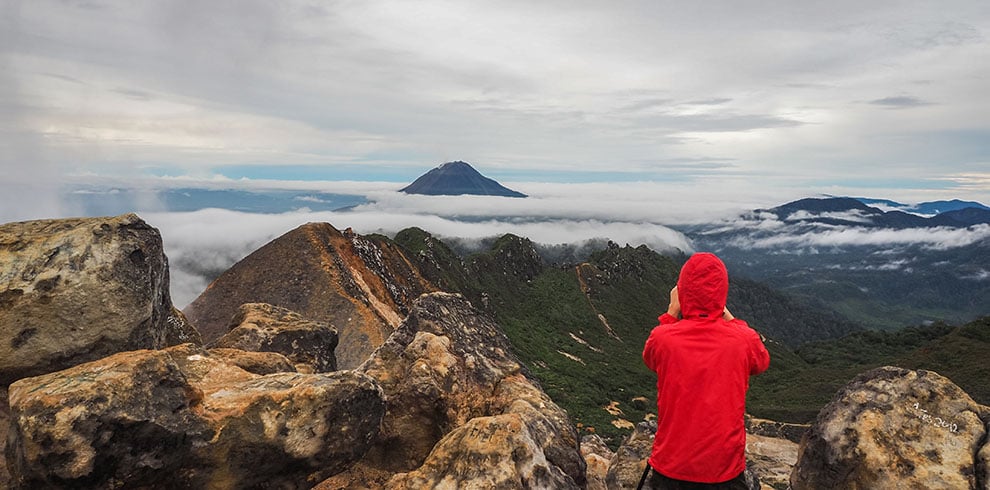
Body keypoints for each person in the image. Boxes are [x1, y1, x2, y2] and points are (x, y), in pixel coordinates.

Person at [640, 252, 770, 489]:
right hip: (724, 471)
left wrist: (671, 312)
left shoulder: (663, 338)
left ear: (682, 293)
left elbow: (650, 358)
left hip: (671, 467)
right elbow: (761, 361)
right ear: (723, 292)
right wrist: (723, 312)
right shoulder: (743, 340)